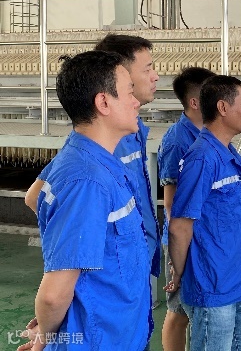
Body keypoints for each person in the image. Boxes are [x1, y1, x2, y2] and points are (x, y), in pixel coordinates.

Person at [21, 34, 161, 348]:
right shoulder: (88, 181)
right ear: (103, 103)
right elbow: (54, 295)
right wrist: (47, 334)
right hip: (100, 339)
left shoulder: (97, 161)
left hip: (118, 330)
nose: (135, 101)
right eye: (129, 92)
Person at [167, 75, 241, 351]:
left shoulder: (226, 153)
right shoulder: (202, 157)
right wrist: (179, 273)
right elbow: (180, 226)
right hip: (213, 288)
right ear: (223, 108)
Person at [158, 66, 215, 351]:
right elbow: (171, 202)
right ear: (194, 102)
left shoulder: (211, 133)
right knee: (179, 311)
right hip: (185, 238)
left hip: (206, 236)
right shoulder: (177, 140)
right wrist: (181, 246)